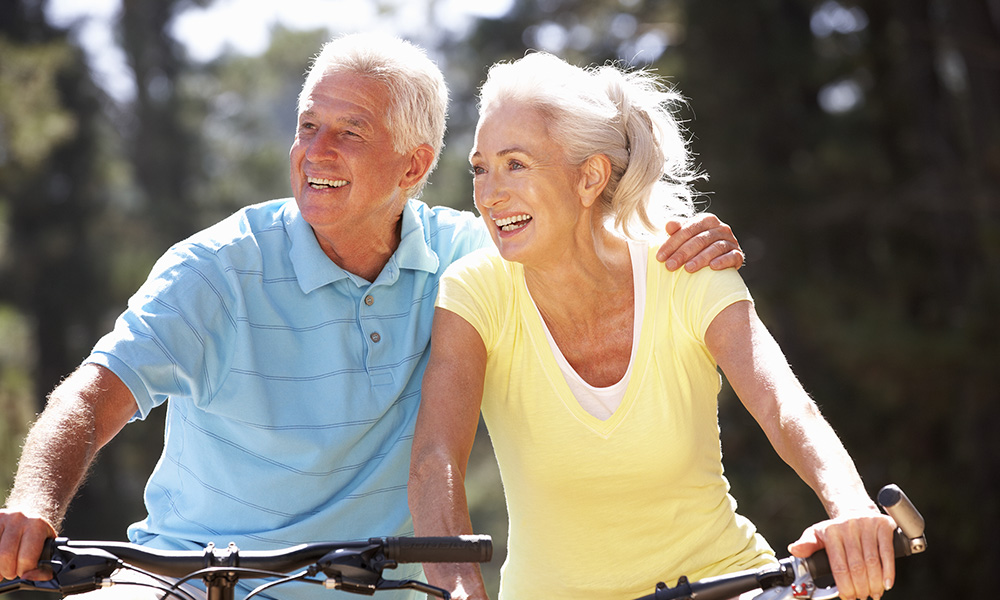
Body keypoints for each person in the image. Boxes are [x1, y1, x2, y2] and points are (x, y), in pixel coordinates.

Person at [0, 34, 745, 599]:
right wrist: (34, 503)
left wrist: (667, 238)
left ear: (415, 167)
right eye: (307, 125)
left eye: (349, 132)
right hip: (191, 581)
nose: (314, 151)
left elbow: (577, 236)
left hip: (373, 586)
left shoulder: (472, 260)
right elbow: (92, 394)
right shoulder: (217, 269)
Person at [407, 52, 898, 600]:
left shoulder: (687, 269)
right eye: (480, 168)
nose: (490, 193)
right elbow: (435, 461)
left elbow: (784, 407)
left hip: (724, 584)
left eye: (516, 164)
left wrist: (851, 507)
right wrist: (459, 592)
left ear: (589, 177)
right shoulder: (474, 292)